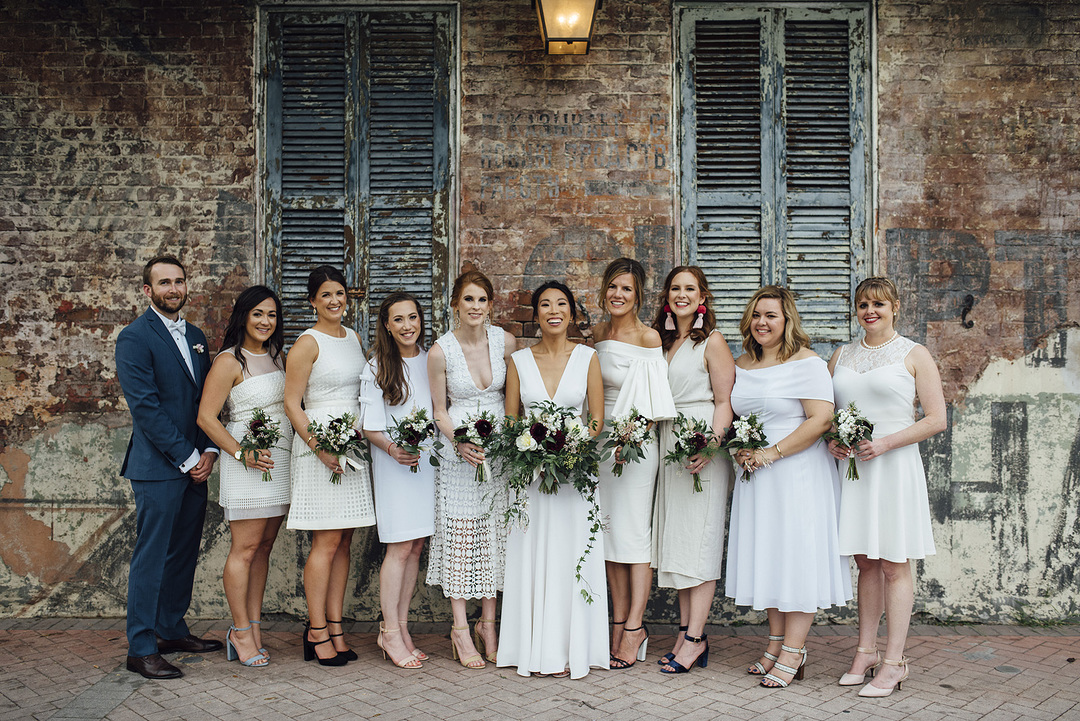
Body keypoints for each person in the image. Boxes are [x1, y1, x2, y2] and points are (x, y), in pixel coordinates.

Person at [726, 285, 851, 689]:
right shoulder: (741, 363)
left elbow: (819, 421)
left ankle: (795, 652)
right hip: (757, 477)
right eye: (757, 315)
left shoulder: (807, 363)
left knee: (796, 557)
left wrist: (770, 453)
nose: (762, 322)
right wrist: (741, 450)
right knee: (772, 557)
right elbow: (734, 416)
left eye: (772, 316)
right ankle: (775, 644)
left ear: (787, 321)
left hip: (796, 472)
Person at [828, 277, 946, 698]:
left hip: (893, 467)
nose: (869, 311)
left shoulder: (914, 354)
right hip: (855, 471)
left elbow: (936, 419)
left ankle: (895, 662)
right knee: (865, 563)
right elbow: (828, 412)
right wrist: (833, 439)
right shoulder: (841, 354)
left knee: (895, 563)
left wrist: (885, 442)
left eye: (878, 303)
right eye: (862, 304)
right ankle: (865, 651)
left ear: (895, 306)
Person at [115, 255, 223, 680]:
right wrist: (188, 456)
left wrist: (210, 450)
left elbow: (206, 402)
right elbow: (146, 409)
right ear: (148, 290)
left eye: (178, 281)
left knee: (182, 554)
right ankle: (141, 648)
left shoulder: (195, 335)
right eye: (164, 283)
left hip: (197, 462)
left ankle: (170, 629)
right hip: (158, 467)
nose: (173, 289)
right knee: (152, 557)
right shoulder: (134, 338)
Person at [497, 280, 610, 680]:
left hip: (575, 475)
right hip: (532, 476)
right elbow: (512, 422)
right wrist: (534, 453)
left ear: (572, 313)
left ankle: (571, 649)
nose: (553, 310)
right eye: (545, 305)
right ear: (536, 315)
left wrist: (571, 446)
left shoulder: (588, 358)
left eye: (561, 303)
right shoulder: (519, 363)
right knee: (534, 553)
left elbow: (594, 419)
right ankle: (534, 648)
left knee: (571, 552)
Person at [285, 266, 375, 667]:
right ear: (312, 302)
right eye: (326, 295)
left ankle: (336, 626)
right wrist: (320, 447)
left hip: (351, 448)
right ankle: (316, 630)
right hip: (319, 449)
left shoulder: (354, 338)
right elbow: (292, 403)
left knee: (344, 541)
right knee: (325, 541)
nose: (335, 300)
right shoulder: (307, 343)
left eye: (340, 293)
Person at [196, 285, 291, 667]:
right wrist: (242, 453)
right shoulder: (228, 361)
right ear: (244, 317)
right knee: (245, 549)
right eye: (258, 314)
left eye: (271, 315)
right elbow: (206, 417)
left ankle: (253, 625)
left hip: (278, 463)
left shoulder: (278, 356)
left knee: (264, 548)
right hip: (246, 464)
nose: (265, 322)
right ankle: (238, 630)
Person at [427, 271, 517, 669]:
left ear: (490, 305)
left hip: (499, 456)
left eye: (482, 300)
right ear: (455, 305)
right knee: (462, 538)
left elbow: (514, 398)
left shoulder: (505, 342)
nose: (476, 307)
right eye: (468, 300)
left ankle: (489, 625)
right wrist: (459, 441)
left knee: (496, 535)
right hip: (458, 456)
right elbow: (439, 411)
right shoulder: (440, 351)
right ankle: (461, 629)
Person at [650, 266, 734, 674]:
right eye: (675, 288)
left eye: (689, 289)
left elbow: (724, 401)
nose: (681, 294)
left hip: (699, 441)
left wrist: (711, 445)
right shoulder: (664, 340)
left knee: (699, 541)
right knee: (680, 541)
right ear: (667, 296)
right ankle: (685, 632)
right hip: (667, 442)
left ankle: (697, 638)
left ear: (702, 297)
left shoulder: (712, 342)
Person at [592, 258, 675, 669]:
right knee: (608, 535)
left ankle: (635, 627)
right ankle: (618, 619)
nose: (618, 295)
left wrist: (630, 439)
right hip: (600, 443)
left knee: (634, 535)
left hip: (635, 444)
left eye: (626, 289)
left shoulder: (647, 338)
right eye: (612, 287)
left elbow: (652, 401)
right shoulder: (597, 334)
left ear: (638, 295)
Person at [362, 291, 436, 670]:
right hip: (394, 466)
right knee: (399, 547)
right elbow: (369, 426)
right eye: (399, 320)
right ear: (387, 326)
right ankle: (389, 630)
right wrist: (393, 450)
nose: (408, 326)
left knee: (417, 545)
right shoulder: (378, 366)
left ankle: (402, 628)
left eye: (413, 318)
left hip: (426, 468)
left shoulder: (430, 361)